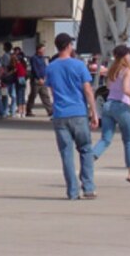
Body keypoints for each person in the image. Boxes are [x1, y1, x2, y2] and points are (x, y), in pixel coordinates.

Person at [45, 32, 99, 200]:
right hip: (78, 113)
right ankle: (88, 187)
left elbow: (51, 90)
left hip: (60, 114)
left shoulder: (51, 67)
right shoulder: (79, 65)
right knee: (85, 149)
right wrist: (94, 112)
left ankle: (72, 191)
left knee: (67, 154)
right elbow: (88, 90)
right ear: (68, 46)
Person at [92, 44, 130, 185]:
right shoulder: (128, 70)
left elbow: (110, 87)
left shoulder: (113, 70)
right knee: (128, 140)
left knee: (105, 139)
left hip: (108, 104)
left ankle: (90, 158)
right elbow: (126, 89)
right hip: (121, 105)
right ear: (125, 56)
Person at [27, 43, 53, 117]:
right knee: (33, 95)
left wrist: (45, 77)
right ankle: (28, 110)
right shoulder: (34, 58)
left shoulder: (42, 58)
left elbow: (44, 68)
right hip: (36, 80)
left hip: (43, 79)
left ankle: (50, 110)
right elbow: (35, 69)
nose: (44, 51)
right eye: (43, 49)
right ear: (38, 50)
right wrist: (39, 78)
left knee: (45, 95)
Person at [13, 48, 28, 118]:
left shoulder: (18, 64)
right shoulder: (24, 64)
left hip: (18, 80)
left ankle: (19, 111)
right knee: (23, 96)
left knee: (19, 96)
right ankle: (24, 112)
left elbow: (14, 71)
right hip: (23, 80)